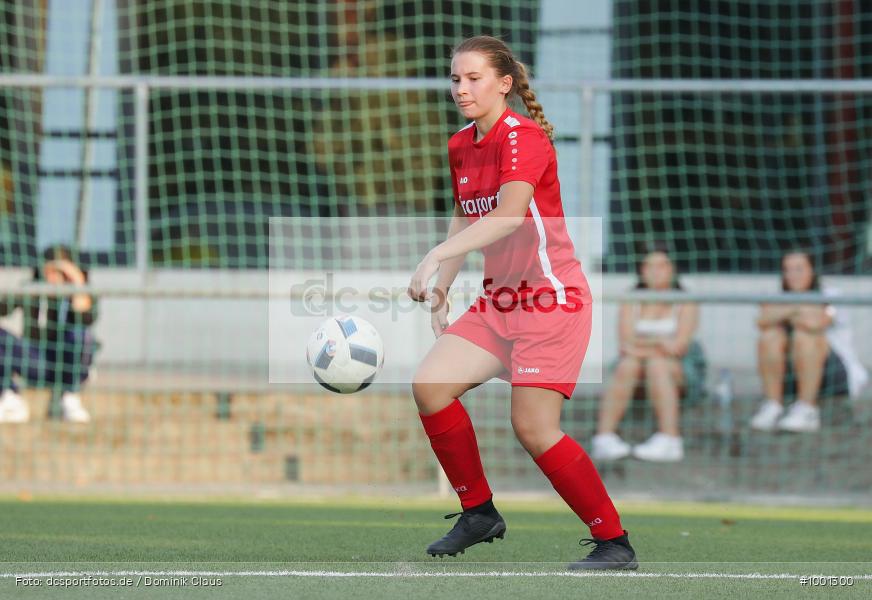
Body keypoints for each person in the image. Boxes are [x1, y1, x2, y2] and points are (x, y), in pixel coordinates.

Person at [406, 36, 637, 570]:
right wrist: (442, 282)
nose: (461, 88)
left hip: (550, 301)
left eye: (474, 78)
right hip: (500, 301)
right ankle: (478, 511)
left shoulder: (525, 138)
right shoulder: (461, 142)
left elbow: (508, 216)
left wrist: (434, 254)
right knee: (430, 386)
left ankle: (614, 543)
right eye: (455, 78)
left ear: (504, 83)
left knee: (533, 427)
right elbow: (467, 214)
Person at [591, 247, 702, 462]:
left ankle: (670, 439)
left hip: (675, 373)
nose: (654, 271)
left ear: (672, 269)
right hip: (636, 373)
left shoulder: (685, 301)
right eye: (649, 265)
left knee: (657, 364)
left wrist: (642, 344)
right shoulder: (631, 300)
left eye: (661, 265)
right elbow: (625, 344)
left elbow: (679, 347)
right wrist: (661, 342)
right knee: (628, 364)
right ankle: (604, 438)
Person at [750, 250, 868, 433]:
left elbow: (816, 322)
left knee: (805, 337)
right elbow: (762, 321)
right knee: (770, 336)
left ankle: (808, 409)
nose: (792, 275)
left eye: (799, 269)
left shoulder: (832, 294)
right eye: (787, 269)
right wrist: (799, 308)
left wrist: (784, 310)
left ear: (812, 270)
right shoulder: (780, 295)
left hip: (833, 374)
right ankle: (773, 405)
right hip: (791, 373)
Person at [0, 245, 96, 423]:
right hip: (35, 360)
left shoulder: (76, 292)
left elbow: (86, 317)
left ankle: (69, 398)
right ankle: (10, 398)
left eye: (59, 271)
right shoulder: (32, 290)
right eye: (50, 270)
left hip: (67, 364)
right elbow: (4, 307)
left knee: (80, 333)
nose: (53, 276)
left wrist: (76, 280)